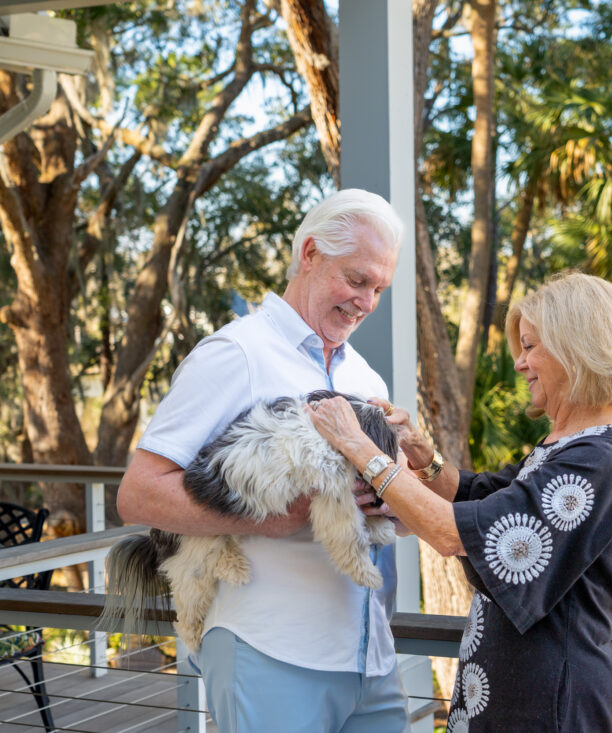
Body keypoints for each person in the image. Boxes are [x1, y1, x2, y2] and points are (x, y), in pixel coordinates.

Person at [307, 270, 612, 732]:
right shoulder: (575, 447)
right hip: (516, 696)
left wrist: (360, 447)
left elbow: (456, 532)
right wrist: (419, 452)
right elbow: (480, 497)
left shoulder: (601, 460)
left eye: (531, 346)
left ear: (579, 349)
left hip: (549, 707)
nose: (520, 363)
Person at [116, 188, 410, 733]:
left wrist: (386, 501)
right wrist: (277, 518)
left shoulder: (366, 379)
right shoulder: (234, 354)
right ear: (310, 254)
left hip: (373, 661)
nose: (367, 301)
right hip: (268, 650)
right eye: (357, 279)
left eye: (379, 288)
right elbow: (138, 494)